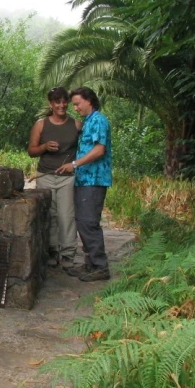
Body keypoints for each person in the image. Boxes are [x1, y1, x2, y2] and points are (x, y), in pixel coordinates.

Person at [56, 87, 112, 282]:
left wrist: (74, 164)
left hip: (94, 179)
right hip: (84, 179)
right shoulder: (88, 122)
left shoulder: (98, 120)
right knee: (82, 221)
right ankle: (90, 264)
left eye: (78, 104)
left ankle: (100, 266)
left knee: (88, 222)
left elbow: (99, 150)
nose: (76, 108)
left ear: (89, 100)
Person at [28, 86, 82, 270]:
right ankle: (51, 251)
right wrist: (44, 147)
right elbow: (31, 151)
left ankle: (68, 254)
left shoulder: (75, 124)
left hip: (68, 177)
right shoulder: (41, 124)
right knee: (49, 215)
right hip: (46, 175)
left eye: (64, 101)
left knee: (67, 215)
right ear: (50, 104)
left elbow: (86, 148)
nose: (61, 105)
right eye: (57, 102)